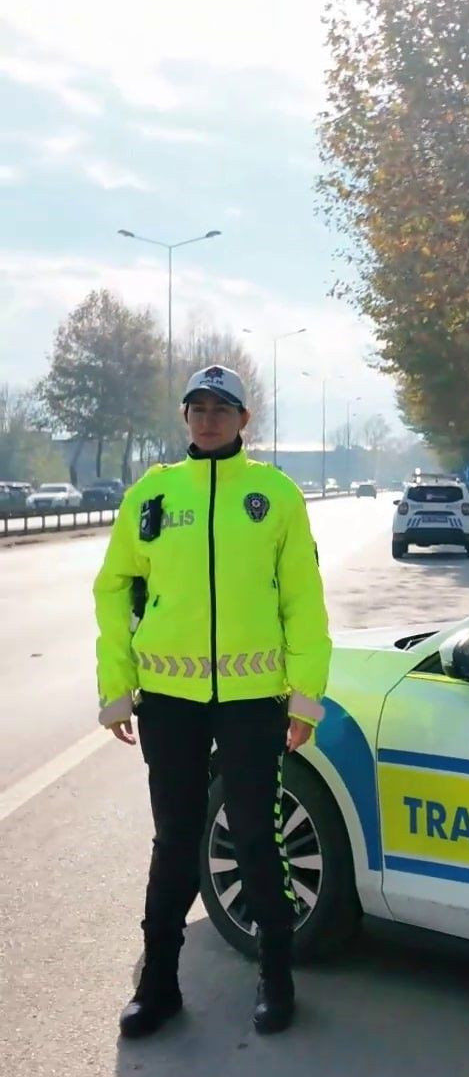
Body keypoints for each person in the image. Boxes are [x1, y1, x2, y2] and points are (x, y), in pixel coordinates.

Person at [94, 365, 331, 1040]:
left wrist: (306, 697)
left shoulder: (275, 495)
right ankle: (159, 984)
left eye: (221, 409)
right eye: (196, 408)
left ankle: (276, 974)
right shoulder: (155, 495)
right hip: (170, 698)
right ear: (186, 418)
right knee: (175, 840)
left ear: (243, 421)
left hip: (254, 697)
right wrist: (116, 684)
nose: (206, 419)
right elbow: (112, 586)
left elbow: (303, 603)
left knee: (257, 836)